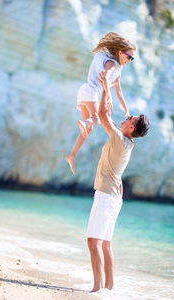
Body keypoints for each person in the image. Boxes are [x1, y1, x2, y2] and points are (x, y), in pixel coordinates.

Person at [86, 71, 150, 293]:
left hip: (106, 196)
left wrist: (105, 86)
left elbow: (103, 113)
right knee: (105, 244)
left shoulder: (120, 140)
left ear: (131, 127)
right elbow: (108, 116)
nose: (126, 117)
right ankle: (109, 289)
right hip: (113, 197)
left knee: (93, 242)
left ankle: (96, 290)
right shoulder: (125, 141)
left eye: (129, 119)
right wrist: (111, 88)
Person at [65, 32, 136, 174]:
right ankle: (85, 123)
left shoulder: (118, 69)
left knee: (88, 129)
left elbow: (119, 92)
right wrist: (107, 96)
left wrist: (126, 109)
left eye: (132, 59)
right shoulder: (112, 64)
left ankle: (72, 155)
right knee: (99, 119)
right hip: (91, 92)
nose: (129, 60)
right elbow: (105, 77)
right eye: (129, 57)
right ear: (120, 53)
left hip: (84, 92)